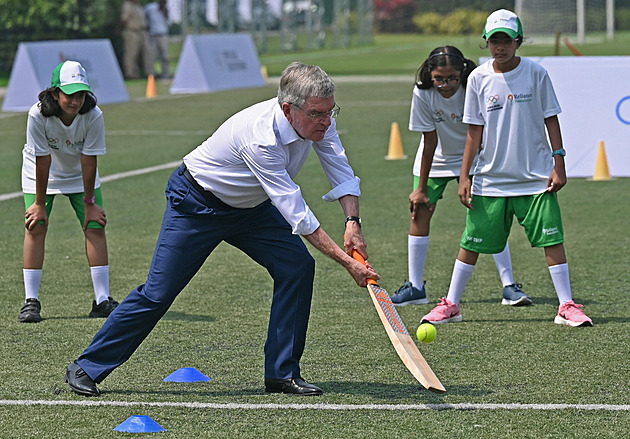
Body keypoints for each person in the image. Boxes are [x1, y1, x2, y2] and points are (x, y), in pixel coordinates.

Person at [65, 62, 379, 397]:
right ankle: (86, 366)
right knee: (159, 293)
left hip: (250, 209)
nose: (327, 122)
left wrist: (352, 222)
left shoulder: (318, 119)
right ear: (288, 109)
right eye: (318, 114)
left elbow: (340, 168)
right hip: (196, 203)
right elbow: (297, 213)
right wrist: (347, 263)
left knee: (297, 266)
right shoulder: (261, 138)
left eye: (331, 112)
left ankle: (281, 373)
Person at [421, 9, 592, 327]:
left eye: (507, 40)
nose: (501, 47)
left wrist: (559, 163)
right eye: (495, 40)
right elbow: (474, 130)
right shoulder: (478, 78)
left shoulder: (536, 73)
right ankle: (452, 305)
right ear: (486, 43)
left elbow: (550, 118)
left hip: (536, 178)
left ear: (519, 41)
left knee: (553, 240)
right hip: (490, 179)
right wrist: (464, 176)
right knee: (470, 243)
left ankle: (566, 306)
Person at [390, 46, 531, 308]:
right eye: (440, 79)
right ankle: (416, 287)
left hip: (477, 157)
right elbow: (429, 141)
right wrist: (421, 189)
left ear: (462, 72)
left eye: (452, 77)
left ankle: (509, 285)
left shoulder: (475, 85)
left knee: (490, 218)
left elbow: (481, 132)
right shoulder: (422, 92)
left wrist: (467, 173)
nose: (446, 85)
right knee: (420, 212)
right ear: (430, 75)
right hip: (437, 160)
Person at [19, 60, 119, 323]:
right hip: (39, 173)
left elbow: (89, 158)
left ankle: (102, 300)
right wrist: (39, 203)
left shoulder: (93, 115)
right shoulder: (37, 115)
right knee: (36, 225)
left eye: (81, 94)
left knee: (95, 226)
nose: (76, 100)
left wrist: (89, 203)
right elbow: (42, 159)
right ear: (55, 93)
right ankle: (31, 301)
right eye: (69, 94)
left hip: (80, 173)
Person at [120, 0, 153, 79]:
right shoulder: (127, 5)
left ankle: (150, 73)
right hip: (132, 31)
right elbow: (124, 19)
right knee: (131, 54)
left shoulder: (139, 6)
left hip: (143, 31)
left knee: (148, 53)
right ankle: (131, 73)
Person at [145, 0, 171, 79]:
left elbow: (169, 23)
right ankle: (152, 74)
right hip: (153, 35)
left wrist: (166, 14)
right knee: (152, 56)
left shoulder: (166, 11)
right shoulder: (151, 8)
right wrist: (146, 25)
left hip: (163, 35)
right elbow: (143, 15)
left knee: (165, 56)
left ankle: (166, 74)